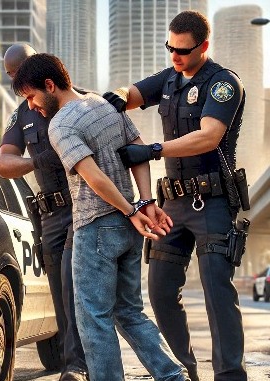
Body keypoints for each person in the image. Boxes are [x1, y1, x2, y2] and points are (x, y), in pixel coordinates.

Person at [11, 52, 190, 381]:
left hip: (95, 228)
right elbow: (137, 150)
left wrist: (131, 209)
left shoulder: (61, 125)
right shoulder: (105, 104)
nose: (32, 107)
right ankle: (173, 376)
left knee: (92, 320)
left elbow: (93, 177)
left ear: (50, 85)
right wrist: (144, 201)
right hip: (127, 228)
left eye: (32, 97)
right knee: (129, 313)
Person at [103, 10, 247, 381]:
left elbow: (209, 135)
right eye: (171, 48)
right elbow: (133, 93)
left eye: (183, 50)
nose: (175, 56)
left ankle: (230, 375)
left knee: (217, 291)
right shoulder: (169, 79)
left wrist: (153, 150)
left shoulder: (222, 83)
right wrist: (116, 97)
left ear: (204, 46)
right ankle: (184, 371)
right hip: (172, 205)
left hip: (211, 202)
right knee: (161, 292)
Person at [0, 44, 88, 381]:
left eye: (20, 74)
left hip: (84, 206)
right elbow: (4, 163)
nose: (17, 83)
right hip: (50, 216)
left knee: (71, 284)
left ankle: (78, 366)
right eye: (11, 77)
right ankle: (74, 363)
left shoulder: (84, 101)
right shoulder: (22, 113)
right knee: (60, 296)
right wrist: (37, 161)